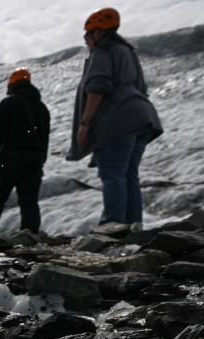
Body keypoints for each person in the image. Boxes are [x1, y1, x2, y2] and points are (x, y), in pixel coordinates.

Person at [67, 7, 163, 228]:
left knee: (112, 173)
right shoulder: (128, 52)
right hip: (142, 118)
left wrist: (85, 123)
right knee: (128, 174)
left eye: (87, 36)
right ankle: (133, 224)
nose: (86, 41)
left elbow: (98, 86)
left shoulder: (102, 52)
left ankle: (113, 224)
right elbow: (141, 87)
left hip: (117, 121)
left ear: (98, 33)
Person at [0, 67, 51, 235]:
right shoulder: (42, 108)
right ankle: (30, 235)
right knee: (29, 200)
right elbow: (45, 135)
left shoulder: (9, 103)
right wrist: (41, 157)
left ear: (12, 85)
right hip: (35, 158)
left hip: (10, 156)